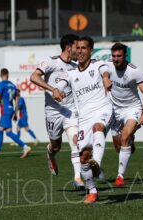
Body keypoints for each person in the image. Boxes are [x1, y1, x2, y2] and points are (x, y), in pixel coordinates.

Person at [54, 36, 113, 204]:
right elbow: (60, 84)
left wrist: (106, 79)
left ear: (90, 50)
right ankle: (93, 191)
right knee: (83, 158)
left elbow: (105, 72)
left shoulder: (98, 65)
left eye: (84, 48)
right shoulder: (71, 73)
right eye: (78, 48)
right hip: (84, 118)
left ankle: (97, 163)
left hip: (103, 109)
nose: (80, 51)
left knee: (98, 127)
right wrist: (56, 91)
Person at [30, 34, 84, 189]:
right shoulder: (50, 62)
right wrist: (53, 89)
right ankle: (50, 153)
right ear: (68, 48)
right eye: (76, 47)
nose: (79, 50)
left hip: (70, 111)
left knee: (75, 142)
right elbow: (33, 77)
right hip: (52, 112)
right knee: (56, 146)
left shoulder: (76, 66)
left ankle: (77, 178)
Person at [107, 43, 143, 187]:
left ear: (125, 56)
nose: (116, 59)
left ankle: (120, 176)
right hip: (114, 110)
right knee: (119, 147)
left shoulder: (134, 71)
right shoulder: (106, 66)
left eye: (119, 56)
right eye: (113, 56)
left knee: (125, 136)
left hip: (132, 108)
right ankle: (130, 142)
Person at [0, 68, 31, 158]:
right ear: (8, 75)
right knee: (3, 130)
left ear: (1, 76)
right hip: (10, 110)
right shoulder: (13, 86)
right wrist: (16, 113)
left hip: (5, 110)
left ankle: (25, 147)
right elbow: (17, 100)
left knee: (6, 131)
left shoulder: (1, 84)